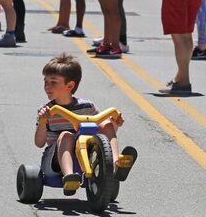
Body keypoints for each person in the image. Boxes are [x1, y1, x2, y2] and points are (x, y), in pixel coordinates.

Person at [34, 53, 135, 195]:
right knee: (66, 135)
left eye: (53, 82)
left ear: (69, 85)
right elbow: (39, 143)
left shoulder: (87, 107)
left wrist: (115, 123)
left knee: (105, 123)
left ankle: (115, 163)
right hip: (54, 162)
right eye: (45, 81)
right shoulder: (48, 111)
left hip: (85, 157)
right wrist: (42, 122)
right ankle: (69, 177)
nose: (47, 86)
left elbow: (101, 136)